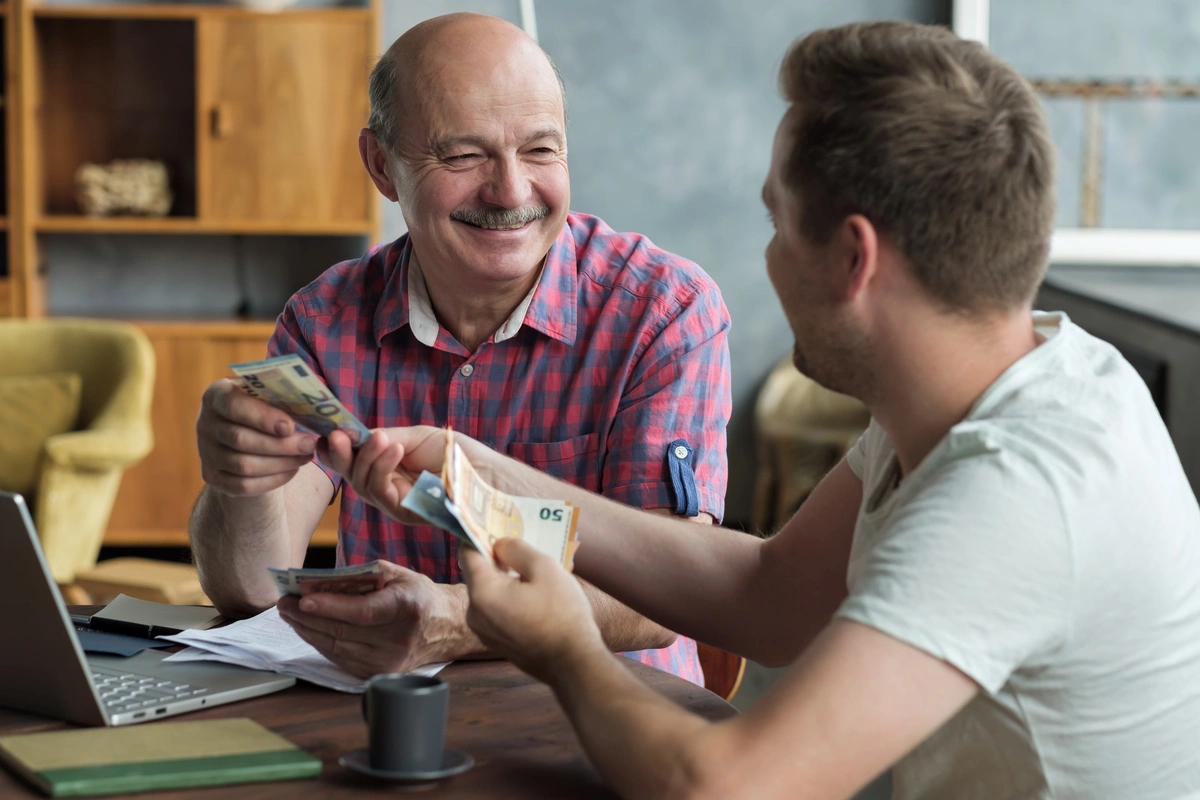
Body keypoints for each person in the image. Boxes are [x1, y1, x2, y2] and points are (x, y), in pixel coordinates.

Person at [324, 21, 1200, 800]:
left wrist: (563, 649)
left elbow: (723, 784)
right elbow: (768, 594)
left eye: (777, 224)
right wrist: (477, 471)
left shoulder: (1019, 490)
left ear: (853, 260)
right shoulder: (1023, 375)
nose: (770, 258)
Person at [188, 12, 732, 685]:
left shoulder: (665, 312)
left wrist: (457, 617)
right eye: (463, 155)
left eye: (540, 150)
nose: (510, 192)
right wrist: (236, 480)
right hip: (386, 723)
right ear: (382, 166)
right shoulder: (324, 321)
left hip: (610, 729)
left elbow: (669, 595)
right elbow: (252, 589)